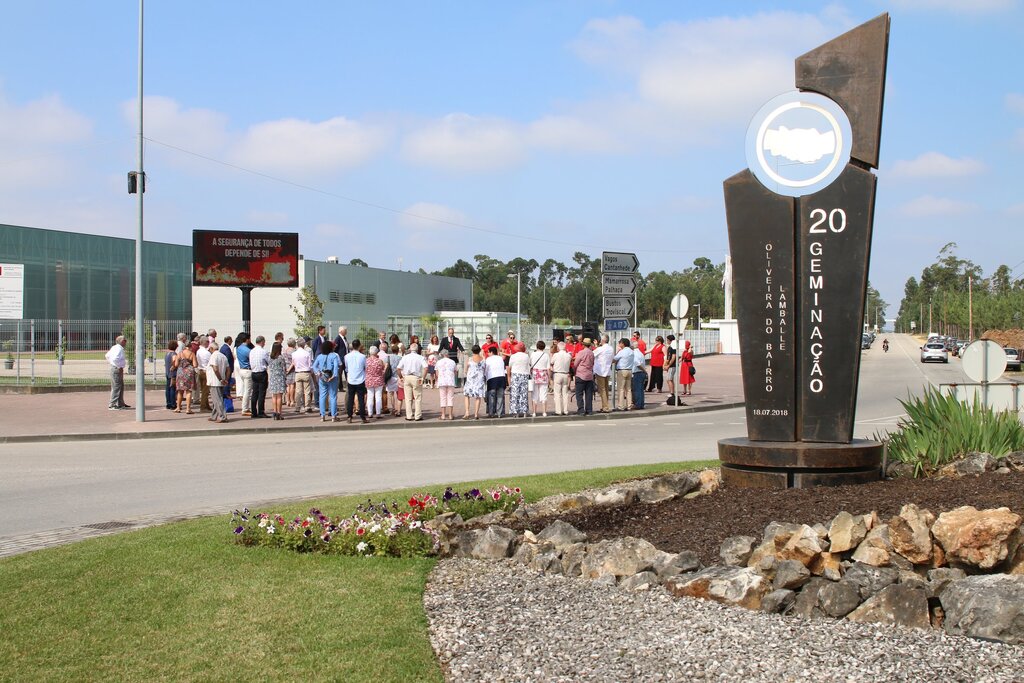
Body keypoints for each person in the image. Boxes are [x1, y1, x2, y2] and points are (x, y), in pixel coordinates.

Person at [397, 342, 427, 421]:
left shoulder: (405, 357)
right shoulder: (420, 357)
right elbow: (426, 368)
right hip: (416, 377)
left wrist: (401, 377)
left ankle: (409, 415)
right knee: (418, 397)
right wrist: (423, 378)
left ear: (410, 349)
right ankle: (418, 415)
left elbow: (398, 368)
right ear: (417, 349)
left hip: (407, 377)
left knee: (408, 398)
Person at [312, 340, 341, 422]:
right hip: (332, 377)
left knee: (322, 396)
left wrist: (318, 373)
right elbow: (336, 367)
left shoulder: (319, 356)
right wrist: (334, 375)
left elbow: (314, 366)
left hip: (322, 377)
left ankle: (322, 415)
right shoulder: (334, 356)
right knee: (333, 396)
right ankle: (333, 416)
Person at [342, 339, 368, 423]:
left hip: (351, 379)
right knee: (361, 399)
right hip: (360, 379)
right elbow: (365, 367)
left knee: (351, 398)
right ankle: (363, 417)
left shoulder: (347, 356)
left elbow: (346, 368)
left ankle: (349, 416)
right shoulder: (363, 356)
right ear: (359, 346)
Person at [206, 341, 229, 423]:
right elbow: (228, 369)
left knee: (217, 399)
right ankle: (214, 415)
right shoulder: (223, 356)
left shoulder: (214, 356)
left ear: (212, 348)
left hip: (215, 381)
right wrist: (226, 378)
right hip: (220, 381)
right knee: (217, 398)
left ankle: (222, 416)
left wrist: (220, 379)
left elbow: (215, 368)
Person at [462, 344, 486, 420]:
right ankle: (476, 414)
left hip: (470, 380)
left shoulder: (470, 359)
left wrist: (467, 372)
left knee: (467, 395)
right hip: (479, 380)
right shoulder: (483, 359)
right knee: (478, 397)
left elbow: (466, 369)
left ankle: (467, 412)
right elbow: (484, 369)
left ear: (472, 351)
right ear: (479, 351)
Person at [508, 342, 531, 418]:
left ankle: (516, 412)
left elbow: (510, 366)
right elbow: (528, 365)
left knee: (515, 394)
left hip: (515, 374)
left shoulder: (513, 356)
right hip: (524, 375)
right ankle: (524, 411)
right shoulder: (526, 356)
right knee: (523, 394)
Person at [573, 338, 596, 415]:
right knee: (589, 393)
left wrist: (574, 370)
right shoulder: (592, 353)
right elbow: (593, 363)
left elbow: (576, 363)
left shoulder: (581, 352)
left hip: (580, 374)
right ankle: (589, 410)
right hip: (589, 375)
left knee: (579, 393)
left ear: (583, 344)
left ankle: (581, 410)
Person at [106, 335, 129, 410]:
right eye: (125, 341)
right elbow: (116, 358)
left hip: (115, 368)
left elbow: (107, 356)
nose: (126, 342)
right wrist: (118, 366)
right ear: (122, 341)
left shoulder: (114, 347)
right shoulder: (119, 349)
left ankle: (120, 403)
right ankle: (112, 404)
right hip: (117, 369)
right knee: (116, 387)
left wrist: (112, 363)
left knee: (120, 386)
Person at [174, 340, 197, 414]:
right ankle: (188, 409)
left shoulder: (180, 353)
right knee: (188, 391)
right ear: (190, 346)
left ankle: (178, 407)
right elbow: (195, 365)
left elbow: (176, 364)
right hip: (189, 373)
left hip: (180, 372)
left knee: (180, 391)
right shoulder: (192, 354)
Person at [249, 335, 269, 418]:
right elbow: (268, 361)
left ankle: (253, 411)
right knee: (261, 393)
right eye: (264, 342)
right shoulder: (263, 351)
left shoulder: (251, 351)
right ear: (262, 342)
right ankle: (261, 411)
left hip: (254, 373)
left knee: (254, 393)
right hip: (261, 372)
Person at [593, 334, 614, 413]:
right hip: (607, 370)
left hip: (600, 371)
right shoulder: (611, 348)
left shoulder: (601, 349)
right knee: (605, 389)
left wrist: (596, 346)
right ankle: (605, 406)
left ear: (603, 340)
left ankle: (605, 407)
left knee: (602, 390)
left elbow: (592, 354)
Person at [550, 341, 572, 416]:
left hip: (557, 374)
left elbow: (551, 362)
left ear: (558, 348)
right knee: (565, 394)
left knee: (557, 393)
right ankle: (565, 410)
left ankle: (558, 410)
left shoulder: (556, 355)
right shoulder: (568, 355)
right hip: (565, 374)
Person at [292, 337, 314, 413]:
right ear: (304, 344)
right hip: (306, 372)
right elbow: (310, 364)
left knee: (298, 391)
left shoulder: (294, 354)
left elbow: (294, 363)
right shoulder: (307, 353)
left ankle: (298, 407)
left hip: (298, 372)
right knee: (307, 391)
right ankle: (307, 407)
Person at [484, 345, 507, 418]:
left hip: (492, 379)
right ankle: (499, 413)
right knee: (500, 396)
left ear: (491, 352)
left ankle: (491, 413)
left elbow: (486, 370)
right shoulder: (500, 359)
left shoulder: (488, 359)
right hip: (501, 378)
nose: (488, 354)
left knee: (491, 396)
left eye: (488, 352)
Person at [529, 340, 550, 418]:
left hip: (535, 375)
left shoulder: (533, 354)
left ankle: (534, 412)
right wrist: (550, 377)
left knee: (534, 394)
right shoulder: (546, 355)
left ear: (537, 346)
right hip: (544, 375)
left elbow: (530, 364)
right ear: (544, 347)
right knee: (543, 394)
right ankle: (544, 412)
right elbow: (548, 368)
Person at [435, 349, 458, 421]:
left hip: (442, 381)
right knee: (450, 397)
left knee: (443, 398)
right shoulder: (452, 362)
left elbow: (437, 373)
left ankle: (443, 415)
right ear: (448, 354)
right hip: (450, 381)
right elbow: (455, 371)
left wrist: (437, 379)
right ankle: (450, 415)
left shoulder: (438, 362)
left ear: (441, 355)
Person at [365, 345, 386, 419]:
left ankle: (370, 413)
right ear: (377, 352)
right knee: (378, 396)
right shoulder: (379, 361)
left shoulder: (366, 360)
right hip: (378, 380)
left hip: (369, 380)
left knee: (370, 396)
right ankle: (378, 413)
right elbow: (383, 369)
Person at [614, 338, 634, 410]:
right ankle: (629, 405)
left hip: (622, 370)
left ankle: (621, 406)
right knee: (628, 389)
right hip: (629, 370)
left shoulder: (622, 351)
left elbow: (614, 359)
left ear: (623, 343)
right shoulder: (631, 351)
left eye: (620, 343)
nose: (619, 344)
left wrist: (617, 352)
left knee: (621, 389)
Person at [268, 341, 286, 420]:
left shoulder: (270, 358)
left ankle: (274, 412)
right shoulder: (280, 358)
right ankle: (279, 413)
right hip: (279, 377)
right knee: (279, 397)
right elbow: (284, 368)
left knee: (274, 396)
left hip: (272, 378)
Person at [235, 333, 253, 416]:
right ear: (247, 339)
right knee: (247, 391)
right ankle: (245, 409)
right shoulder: (247, 350)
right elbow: (252, 358)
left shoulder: (239, 348)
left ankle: (245, 407)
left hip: (242, 369)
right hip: (247, 370)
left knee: (245, 389)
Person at [196, 336, 212, 412]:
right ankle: (203, 407)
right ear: (205, 342)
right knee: (205, 391)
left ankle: (207, 405)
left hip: (200, 371)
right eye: (208, 342)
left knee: (204, 390)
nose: (208, 343)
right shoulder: (207, 353)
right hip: (206, 372)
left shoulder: (198, 351)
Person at [387, 343, 402, 416]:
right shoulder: (400, 358)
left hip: (390, 376)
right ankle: (398, 409)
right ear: (398, 350)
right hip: (398, 376)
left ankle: (393, 408)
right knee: (398, 393)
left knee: (391, 393)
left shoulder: (388, 357)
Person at [631, 340, 647, 409]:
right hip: (641, 373)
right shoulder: (640, 353)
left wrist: (644, 370)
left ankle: (637, 405)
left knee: (637, 390)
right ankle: (641, 404)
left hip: (637, 373)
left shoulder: (634, 353)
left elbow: (637, 364)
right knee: (640, 390)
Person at [163, 340, 177, 409]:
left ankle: (168, 403)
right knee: (172, 388)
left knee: (168, 388)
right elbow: (174, 361)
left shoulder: (167, 354)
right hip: (172, 373)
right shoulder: (174, 354)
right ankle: (173, 404)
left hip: (167, 372)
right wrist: (174, 366)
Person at [283, 338, 296, 408]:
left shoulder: (284, 351)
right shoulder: (294, 351)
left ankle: (287, 400)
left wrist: (286, 369)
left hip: (286, 369)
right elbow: (294, 362)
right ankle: (292, 400)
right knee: (292, 386)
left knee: (287, 386)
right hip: (292, 369)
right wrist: (290, 368)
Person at [664, 334, 677, 400]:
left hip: (672, 366)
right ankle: (672, 392)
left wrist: (668, 365)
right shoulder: (671, 347)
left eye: (667, 340)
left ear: (670, 340)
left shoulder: (673, 347)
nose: (667, 341)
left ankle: (672, 393)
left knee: (669, 379)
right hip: (671, 365)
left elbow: (673, 357)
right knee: (669, 379)